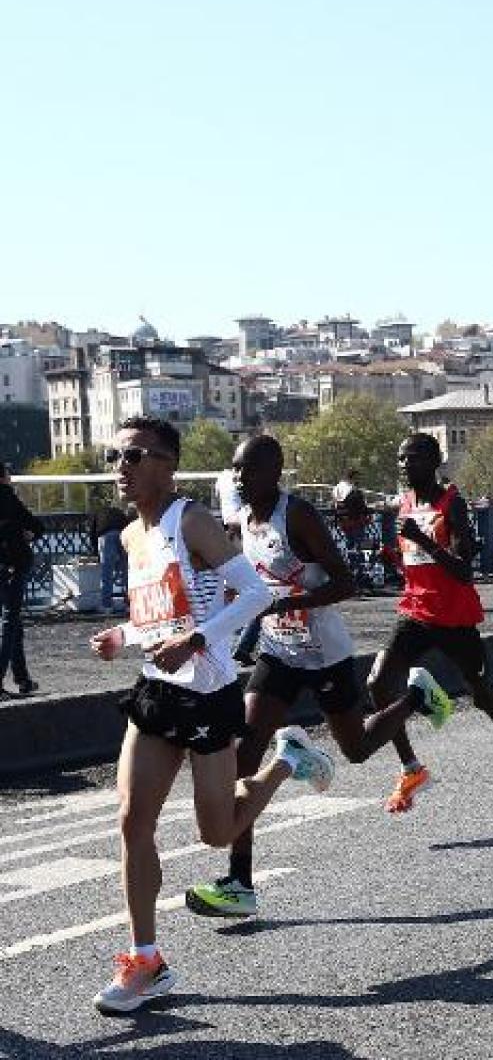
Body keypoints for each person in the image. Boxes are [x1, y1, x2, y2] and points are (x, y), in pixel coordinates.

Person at [87, 416, 334, 1014]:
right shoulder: (129, 537)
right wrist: (122, 636)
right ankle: (146, 959)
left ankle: (284, 763)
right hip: (157, 690)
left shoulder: (190, 521)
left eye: (136, 456)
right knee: (130, 820)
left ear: (167, 464)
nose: (123, 467)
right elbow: (155, 620)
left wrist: (198, 640)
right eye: (116, 456)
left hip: (209, 691)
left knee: (216, 832)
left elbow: (255, 593)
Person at [185, 435, 445, 920]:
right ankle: (240, 881)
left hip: (324, 652)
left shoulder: (296, 514)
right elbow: (243, 581)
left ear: (275, 472)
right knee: (243, 756)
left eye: (249, 471)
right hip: (279, 651)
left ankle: (414, 696)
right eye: (235, 471)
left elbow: (346, 581)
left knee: (356, 750)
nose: (240, 480)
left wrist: (291, 603)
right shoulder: (243, 519)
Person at [368, 432, 493, 812]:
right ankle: (411, 767)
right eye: (400, 459)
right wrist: (395, 561)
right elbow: (419, 566)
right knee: (379, 684)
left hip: (454, 617)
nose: (403, 466)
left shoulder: (453, 504)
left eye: (411, 459)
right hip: (414, 610)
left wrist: (424, 541)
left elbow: (463, 570)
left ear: (433, 463)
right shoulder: (405, 504)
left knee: (480, 693)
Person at [0, 463, 42, 698]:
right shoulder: (7, 497)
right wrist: (25, 534)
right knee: (9, 621)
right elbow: (36, 525)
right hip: (12, 565)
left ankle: (23, 678)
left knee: (12, 622)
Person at [97, 502, 130, 613]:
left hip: (106, 536)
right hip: (123, 534)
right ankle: (129, 604)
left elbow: (93, 532)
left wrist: (94, 552)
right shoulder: (119, 512)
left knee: (107, 572)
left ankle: (107, 605)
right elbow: (128, 524)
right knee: (126, 571)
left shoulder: (98, 514)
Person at [213, 465, 243, 534]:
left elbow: (217, 496)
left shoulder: (221, 477)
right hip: (238, 520)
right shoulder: (240, 479)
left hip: (226, 519)